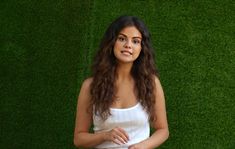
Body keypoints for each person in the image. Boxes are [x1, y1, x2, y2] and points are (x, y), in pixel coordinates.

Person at [74, 15, 169, 149]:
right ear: (112, 43)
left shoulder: (151, 83)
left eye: (135, 41)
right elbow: (79, 139)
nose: (128, 45)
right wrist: (105, 135)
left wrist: (141, 146)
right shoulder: (90, 86)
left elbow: (163, 130)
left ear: (142, 48)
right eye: (122, 39)